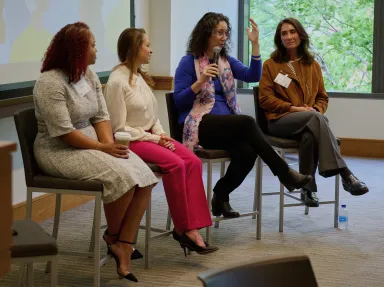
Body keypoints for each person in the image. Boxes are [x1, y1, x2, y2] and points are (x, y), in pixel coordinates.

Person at [33, 22, 158, 282]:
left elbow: (101, 115)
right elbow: (64, 132)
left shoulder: (87, 75)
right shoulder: (49, 83)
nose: (97, 50)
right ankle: (117, 241)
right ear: (77, 49)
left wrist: (109, 147)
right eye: (92, 45)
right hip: (58, 150)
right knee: (121, 178)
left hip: (89, 142)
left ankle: (121, 242)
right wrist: (104, 148)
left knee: (145, 176)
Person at [173, 12, 313, 218]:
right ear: (206, 34)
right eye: (219, 33)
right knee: (247, 122)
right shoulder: (188, 62)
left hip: (227, 124)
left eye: (225, 33)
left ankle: (220, 195)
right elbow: (178, 101)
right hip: (199, 123)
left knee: (248, 151)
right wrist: (200, 81)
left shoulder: (225, 61)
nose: (223, 37)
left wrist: (255, 45)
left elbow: (252, 76)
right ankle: (285, 174)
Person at [104, 28, 218, 256]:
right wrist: (155, 138)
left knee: (192, 161)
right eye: (147, 45)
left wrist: (162, 134)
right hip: (132, 141)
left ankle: (192, 226)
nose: (151, 49)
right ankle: (185, 230)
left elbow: (152, 115)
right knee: (175, 165)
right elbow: (119, 129)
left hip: (150, 136)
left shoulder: (138, 76)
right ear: (134, 49)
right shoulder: (117, 81)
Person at [258, 18, 369, 207]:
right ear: (279, 38)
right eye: (284, 33)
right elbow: (265, 99)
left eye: (292, 32)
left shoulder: (313, 65)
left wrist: (314, 110)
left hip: (309, 120)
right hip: (279, 121)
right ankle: (345, 174)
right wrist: (294, 109)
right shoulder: (271, 64)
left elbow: (322, 98)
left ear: (300, 35)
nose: (288, 36)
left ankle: (308, 189)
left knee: (310, 135)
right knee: (316, 119)